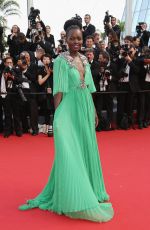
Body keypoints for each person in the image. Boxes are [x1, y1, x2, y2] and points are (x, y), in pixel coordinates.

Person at [19, 18, 114, 222]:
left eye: (79, 38)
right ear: (66, 40)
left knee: (85, 147)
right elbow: (59, 90)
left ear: (83, 40)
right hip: (68, 110)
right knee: (69, 151)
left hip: (85, 107)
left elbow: (88, 87)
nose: (76, 41)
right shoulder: (60, 61)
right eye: (72, 38)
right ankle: (72, 195)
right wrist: (57, 116)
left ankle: (90, 188)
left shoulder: (86, 59)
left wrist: (95, 112)